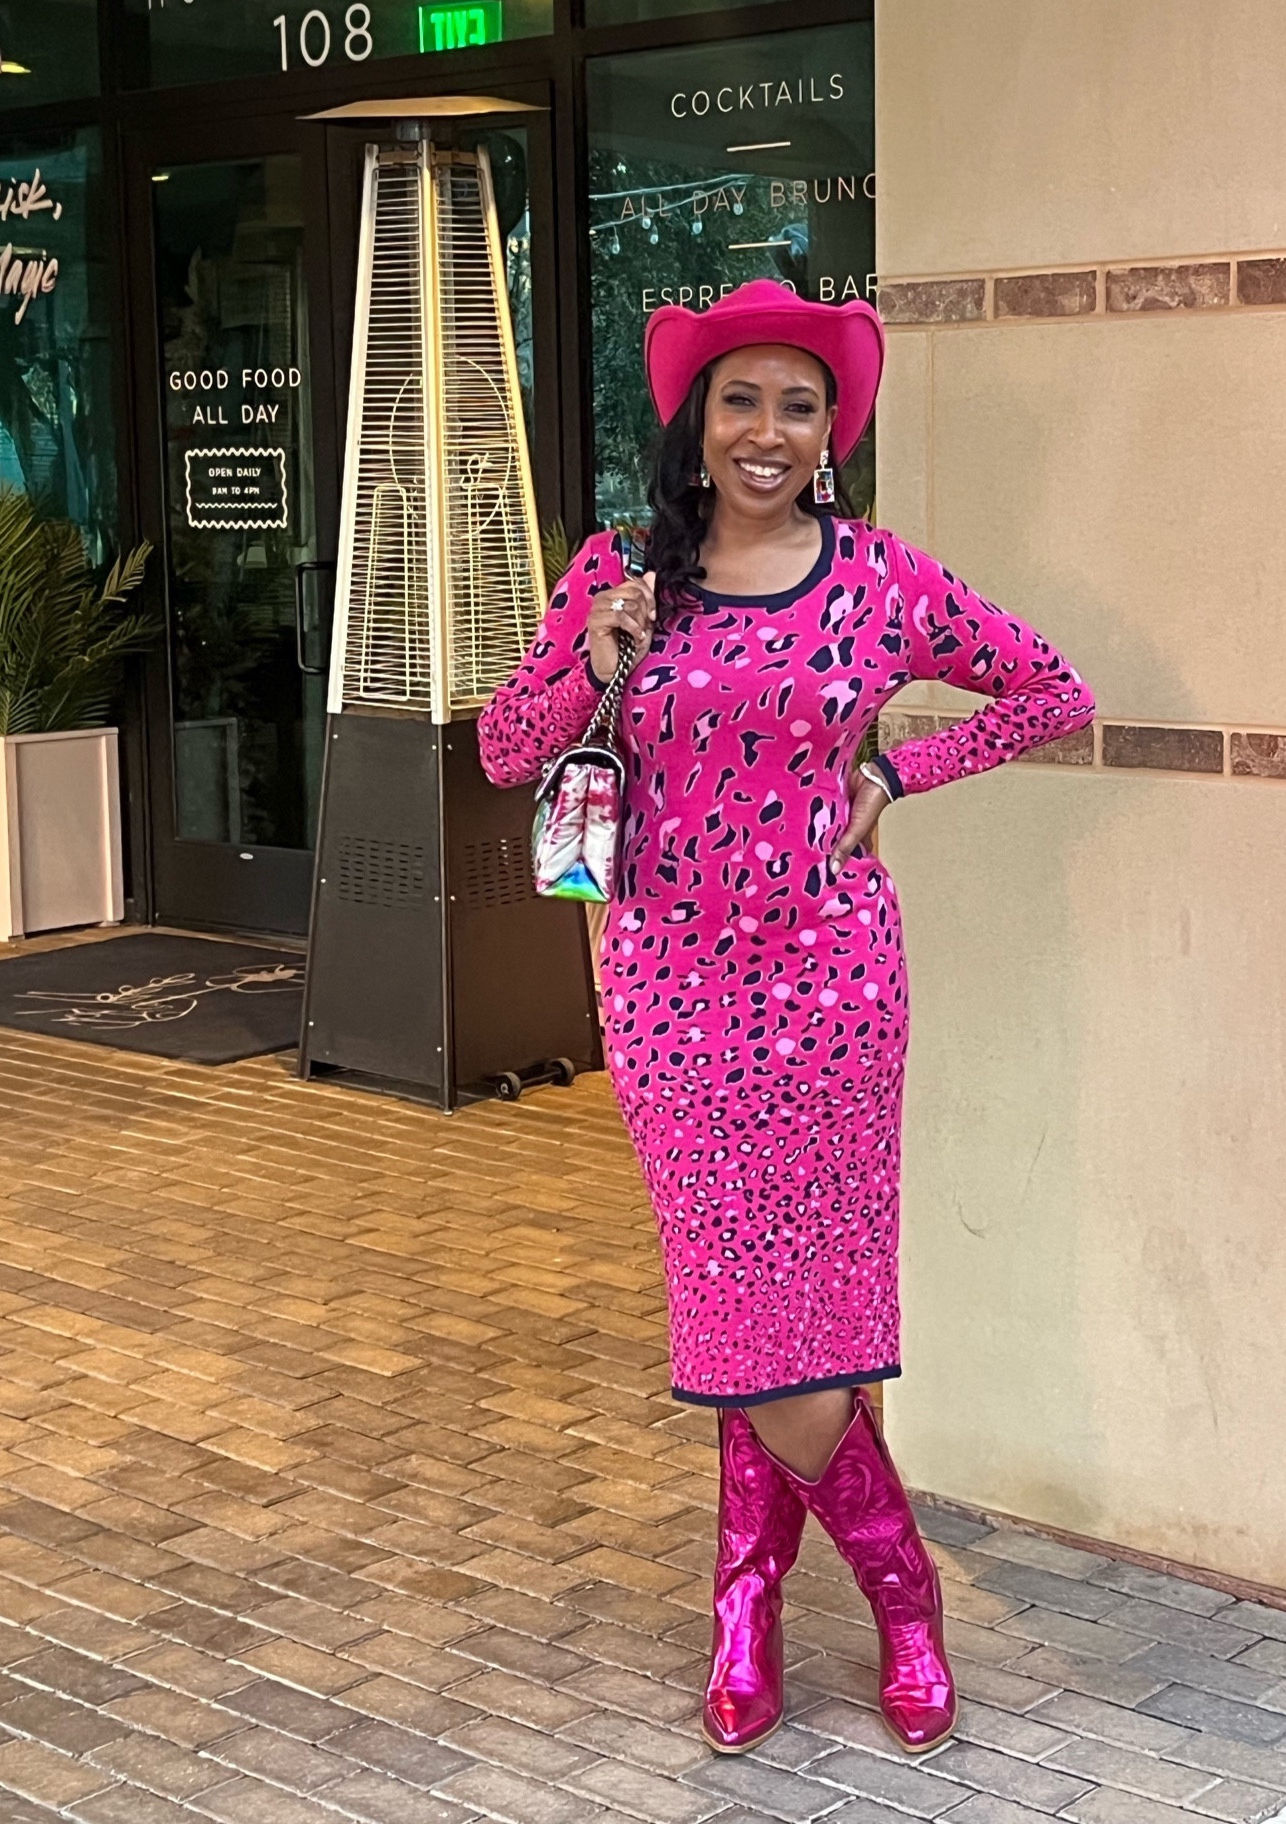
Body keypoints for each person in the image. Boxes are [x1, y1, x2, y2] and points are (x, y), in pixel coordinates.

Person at [478, 279, 1095, 1758]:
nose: (767, 431)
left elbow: (1050, 693)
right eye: (739, 399)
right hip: (669, 994)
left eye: (798, 404)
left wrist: (899, 778)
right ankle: (902, 1590)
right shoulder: (619, 571)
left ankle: (746, 1613)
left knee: (802, 1323)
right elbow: (509, 753)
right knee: (740, 1307)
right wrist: (592, 654)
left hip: (832, 988)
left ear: (834, 431)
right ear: (696, 421)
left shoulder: (878, 581)